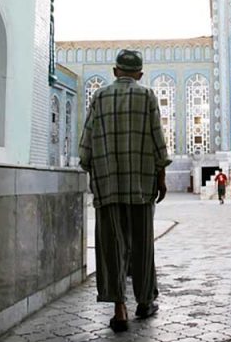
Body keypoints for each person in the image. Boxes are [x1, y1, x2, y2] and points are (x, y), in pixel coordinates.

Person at [79, 49, 171, 332]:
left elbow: (86, 144)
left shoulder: (99, 96)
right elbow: (158, 140)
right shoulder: (147, 96)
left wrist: (92, 166)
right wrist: (161, 176)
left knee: (111, 245)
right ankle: (144, 301)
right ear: (140, 74)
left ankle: (119, 308)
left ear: (115, 71)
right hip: (141, 184)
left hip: (107, 183)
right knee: (143, 244)